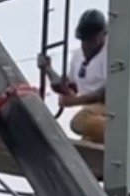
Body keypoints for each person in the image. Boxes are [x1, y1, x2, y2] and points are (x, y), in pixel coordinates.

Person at [38, 8, 108, 147]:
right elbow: (68, 87)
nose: (87, 45)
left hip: (112, 107)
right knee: (85, 148)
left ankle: (122, 134)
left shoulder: (111, 52)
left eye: (91, 40)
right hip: (94, 113)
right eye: (84, 40)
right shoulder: (78, 56)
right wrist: (48, 70)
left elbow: (106, 92)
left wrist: (74, 101)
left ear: (103, 35)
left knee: (79, 121)